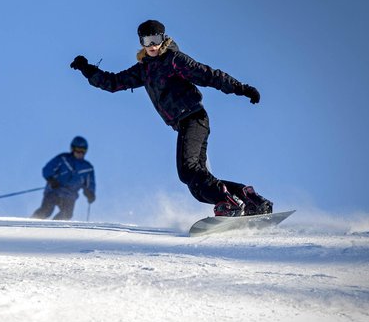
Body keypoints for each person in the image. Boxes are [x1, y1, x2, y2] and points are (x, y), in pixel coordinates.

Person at [70, 20, 272, 217]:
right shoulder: (144, 69)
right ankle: (248, 198)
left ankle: (227, 202)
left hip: (193, 118)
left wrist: (242, 88)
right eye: (146, 41)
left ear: (163, 38)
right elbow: (113, 82)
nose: (152, 45)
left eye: (155, 39)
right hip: (185, 123)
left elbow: (209, 75)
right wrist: (87, 69)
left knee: (188, 171)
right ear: (141, 42)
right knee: (197, 185)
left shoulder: (174, 60)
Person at [32, 136, 96, 220]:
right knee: (47, 210)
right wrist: (51, 179)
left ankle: (53, 229)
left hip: (70, 195)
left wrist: (90, 193)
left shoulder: (87, 168)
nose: (80, 153)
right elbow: (47, 169)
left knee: (67, 214)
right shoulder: (63, 159)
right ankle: (32, 221)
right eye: (78, 149)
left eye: (83, 150)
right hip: (54, 190)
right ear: (72, 149)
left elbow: (90, 183)